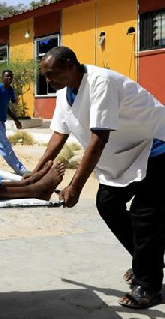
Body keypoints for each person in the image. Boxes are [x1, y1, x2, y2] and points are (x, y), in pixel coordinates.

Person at [32, 46, 165, 309]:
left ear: (71, 65)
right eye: (45, 76)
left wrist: (75, 187)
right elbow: (59, 134)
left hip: (157, 147)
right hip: (125, 156)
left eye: (52, 74)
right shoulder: (64, 94)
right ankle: (146, 260)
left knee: (144, 216)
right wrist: (37, 172)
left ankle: (149, 286)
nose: (48, 80)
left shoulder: (101, 82)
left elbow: (99, 137)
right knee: (107, 204)